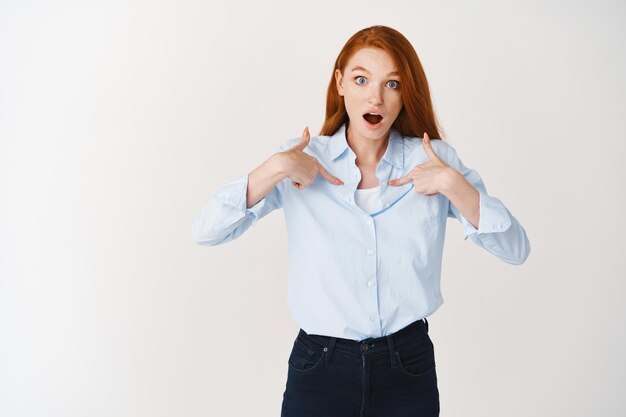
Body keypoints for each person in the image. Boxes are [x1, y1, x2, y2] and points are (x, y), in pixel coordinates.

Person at [191, 25, 530, 417]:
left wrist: (454, 185)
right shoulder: (303, 161)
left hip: (408, 368)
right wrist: (275, 167)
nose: (375, 97)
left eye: (392, 84)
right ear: (340, 83)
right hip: (319, 369)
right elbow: (206, 231)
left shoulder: (434, 161)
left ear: (406, 93)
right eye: (361, 79)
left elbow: (516, 250)